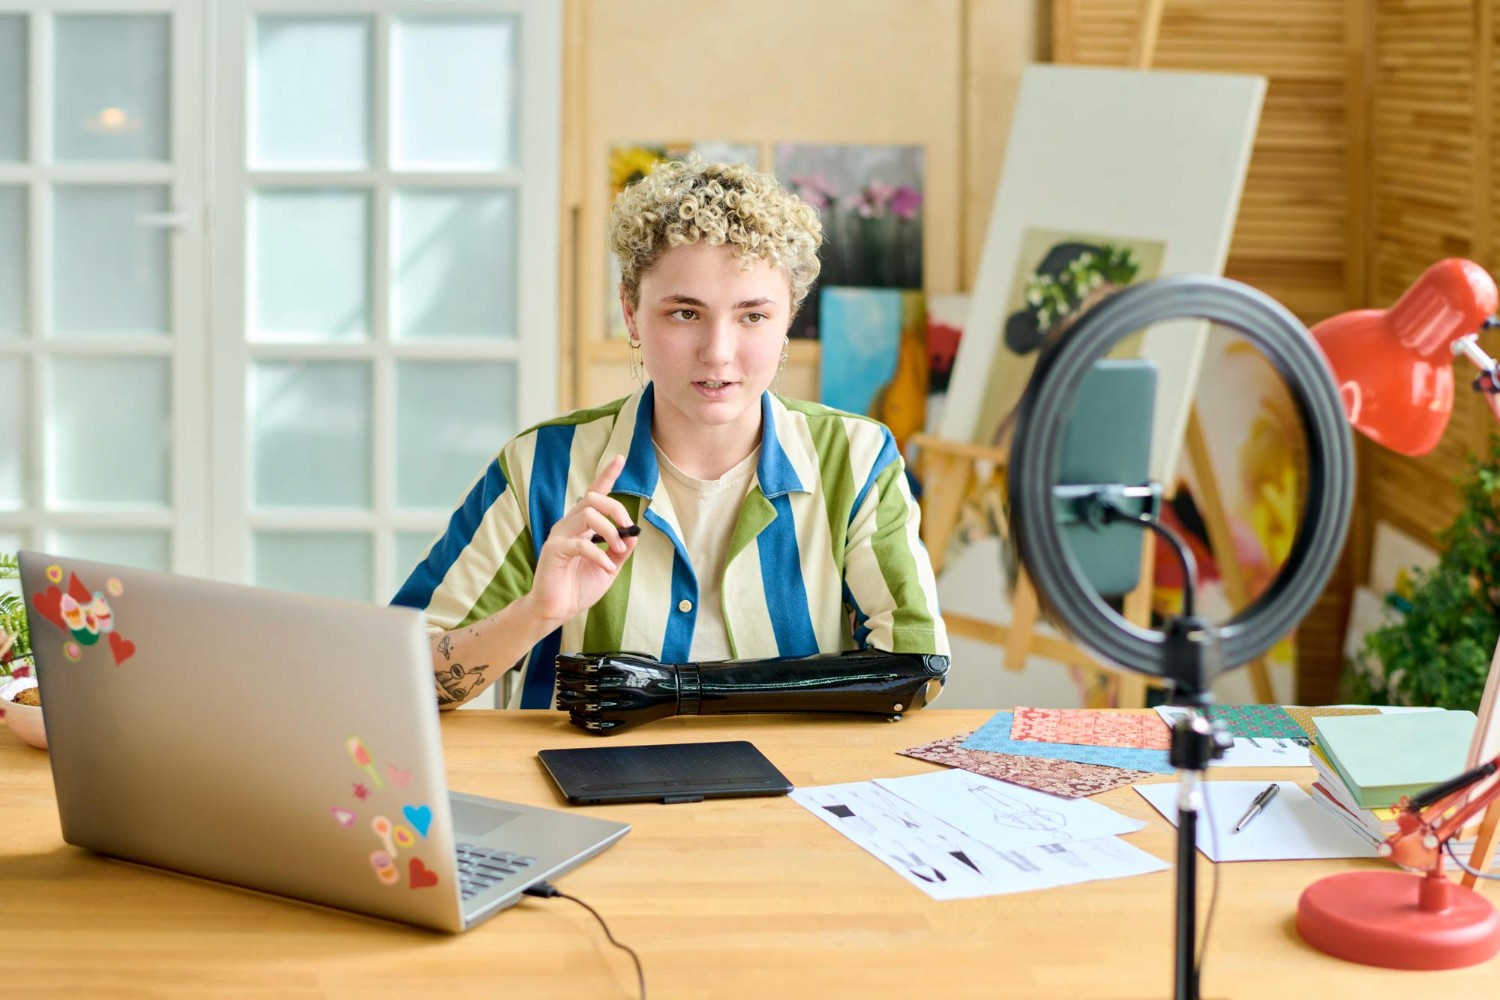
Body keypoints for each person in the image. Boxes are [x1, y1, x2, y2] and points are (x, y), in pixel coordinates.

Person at [392, 156, 949, 731]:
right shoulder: (543, 468)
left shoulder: (856, 460)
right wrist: (537, 613)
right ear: (631, 311)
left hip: (795, 800)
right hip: (576, 795)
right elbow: (394, 677)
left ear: (789, 317)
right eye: (685, 313)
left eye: (753, 316)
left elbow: (917, 667)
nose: (718, 352)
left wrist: (681, 691)